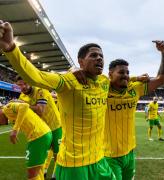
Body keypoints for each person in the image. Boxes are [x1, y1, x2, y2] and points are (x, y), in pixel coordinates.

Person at [0, 21, 115, 180]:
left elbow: (123, 81)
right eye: (93, 55)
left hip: (99, 159)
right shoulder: (68, 82)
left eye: (101, 56)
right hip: (75, 164)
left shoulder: (104, 82)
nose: (99, 58)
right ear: (80, 61)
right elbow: (36, 76)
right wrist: (10, 47)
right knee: (52, 155)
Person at [104, 39, 164, 180]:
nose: (126, 75)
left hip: (130, 151)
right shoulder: (101, 89)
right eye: (121, 72)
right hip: (108, 155)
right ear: (110, 74)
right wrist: (135, 77)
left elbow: (162, 79)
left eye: (128, 72)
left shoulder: (135, 89)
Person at [16, 75, 62, 179]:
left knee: (58, 156)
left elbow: (40, 111)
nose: (23, 87)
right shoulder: (22, 97)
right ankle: (43, 174)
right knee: (41, 155)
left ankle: (57, 176)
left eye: (25, 83)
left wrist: (23, 106)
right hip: (43, 130)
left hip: (55, 125)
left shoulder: (41, 90)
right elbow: (24, 113)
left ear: (30, 82)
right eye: (20, 85)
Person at [0, 102, 52, 180]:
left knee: (32, 173)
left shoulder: (7, 108)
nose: (1, 123)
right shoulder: (9, 116)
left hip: (38, 135)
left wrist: (15, 129)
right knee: (38, 170)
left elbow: (24, 106)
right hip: (42, 134)